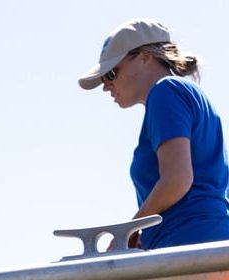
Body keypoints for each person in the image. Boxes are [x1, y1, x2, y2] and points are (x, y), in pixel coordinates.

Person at [79, 17, 229, 249]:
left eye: (111, 74)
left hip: (188, 247)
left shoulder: (165, 91)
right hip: (209, 245)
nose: (106, 85)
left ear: (144, 57)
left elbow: (177, 181)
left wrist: (128, 232)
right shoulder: (184, 93)